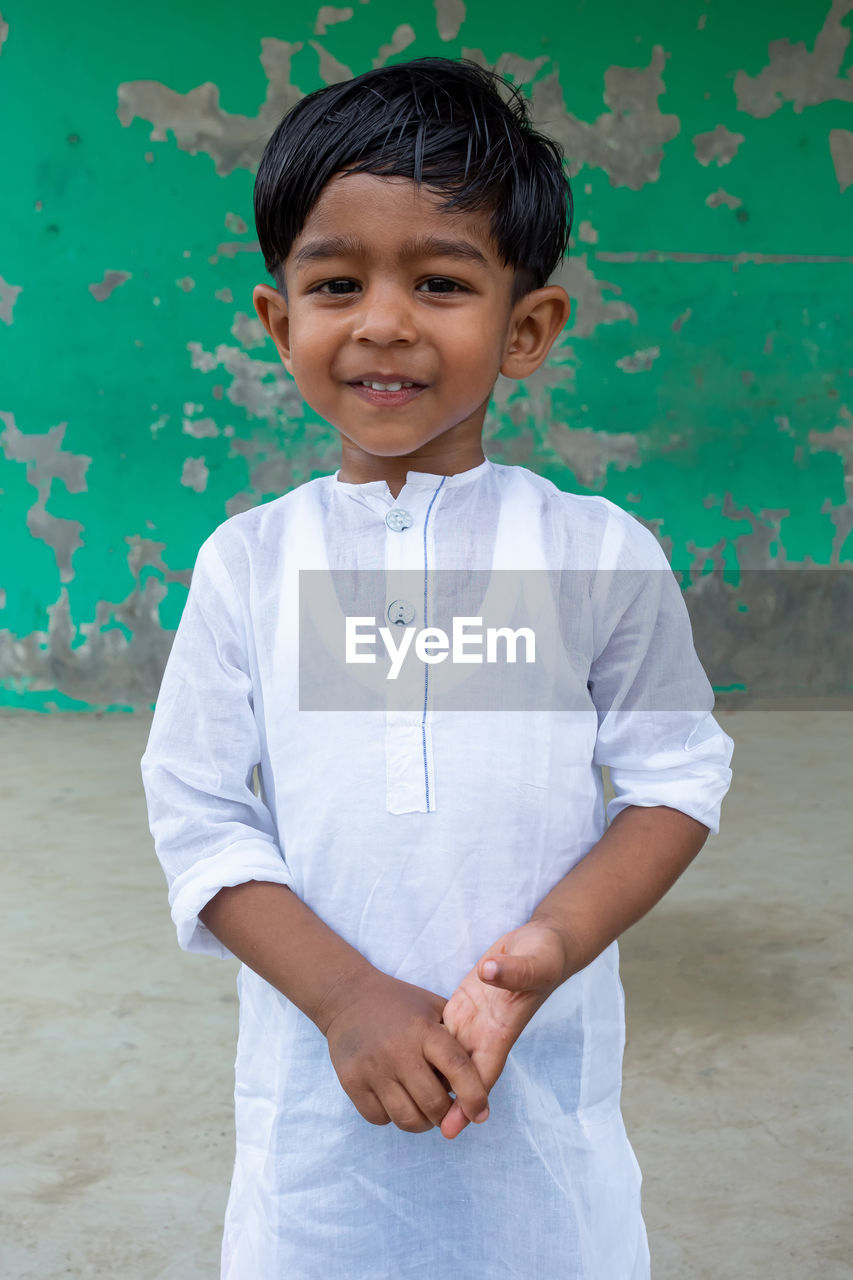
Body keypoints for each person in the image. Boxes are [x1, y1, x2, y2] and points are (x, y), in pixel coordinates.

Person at [140, 55, 733, 1279]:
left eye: (441, 280)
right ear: (278, 319)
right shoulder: (253, 564)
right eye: (338, 281)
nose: (384, 321)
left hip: (538, 1128)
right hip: (322, 1132)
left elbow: (677, 777)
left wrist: (551, 944)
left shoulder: (595, 555)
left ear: (528, 326)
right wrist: (347, 995)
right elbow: (198, 811)